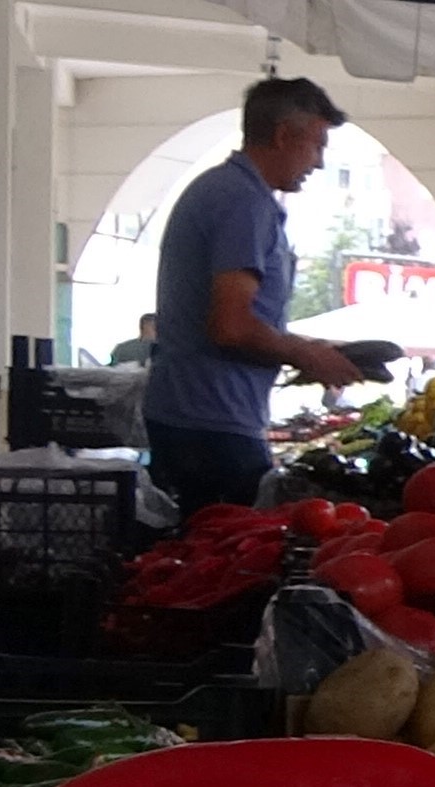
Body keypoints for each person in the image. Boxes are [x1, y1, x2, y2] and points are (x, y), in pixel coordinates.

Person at [145, 76, 361, 513]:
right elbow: (230, 325)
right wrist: (304, 353)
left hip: (194, 413)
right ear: (284, 136)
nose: (318, 163)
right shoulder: (242, 202)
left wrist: (302, 350)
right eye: (317, 145)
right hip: (211, 422)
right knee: (230, 555)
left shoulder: (224, 190)